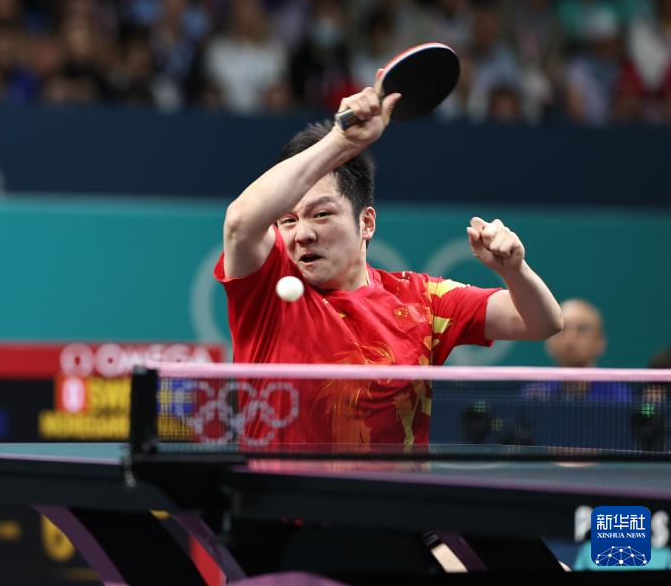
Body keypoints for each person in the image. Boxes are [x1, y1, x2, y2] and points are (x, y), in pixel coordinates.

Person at [214, 84, 563, 446]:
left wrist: (514, 271)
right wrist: (341, 141)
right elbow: (239, 222)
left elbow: (542, 322)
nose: (302, 234)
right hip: (274, 485)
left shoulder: (423, 301)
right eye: (288, 220)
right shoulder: (265, 285)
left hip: (388, 485)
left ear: (366, 223)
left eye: (321, 215)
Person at [522, 298, 631, 402]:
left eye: (581, 329)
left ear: (600, 342)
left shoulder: (621, 399)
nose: (570, 339)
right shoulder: (532, 398)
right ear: (549, 341)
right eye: (562, 329)